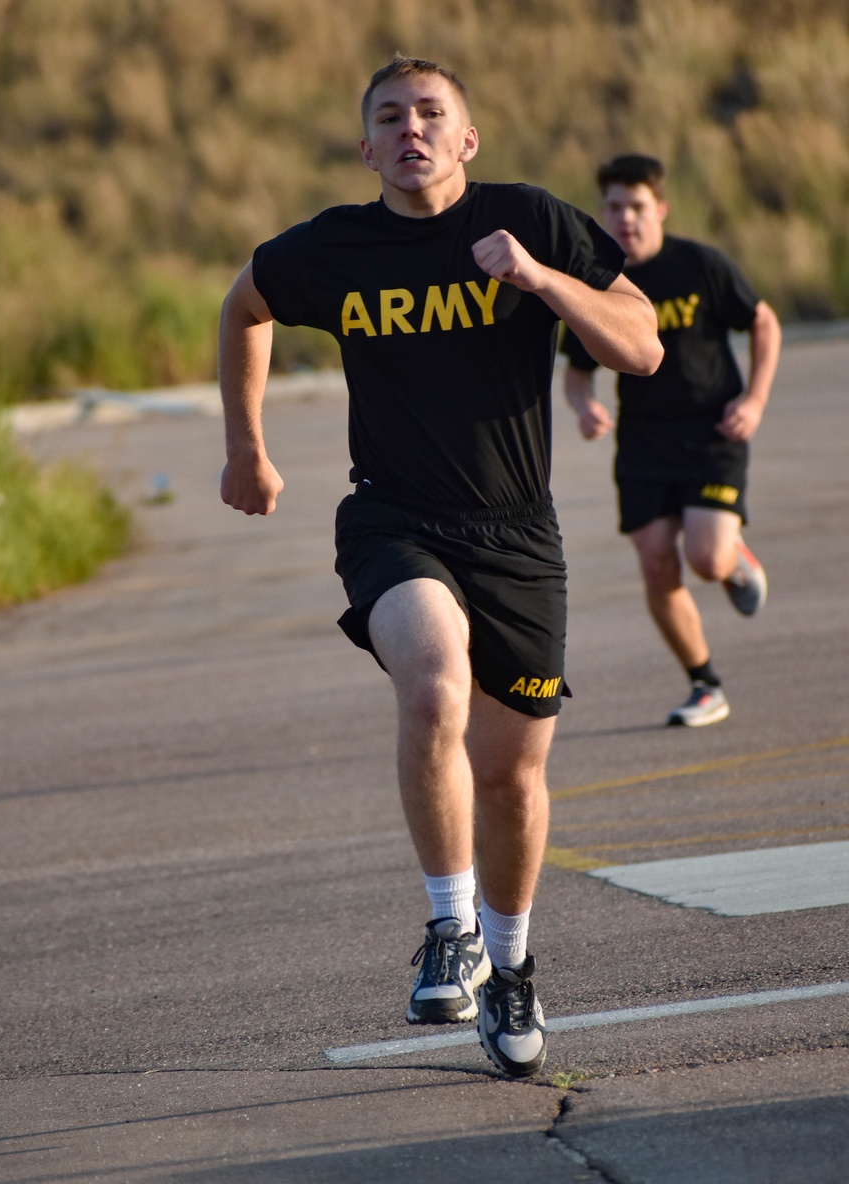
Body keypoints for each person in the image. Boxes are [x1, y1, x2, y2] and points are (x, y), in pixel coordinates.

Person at [218, 58, 662, 1077]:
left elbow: (638, 347)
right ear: (365, 148)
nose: (409, 129)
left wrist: (540, 281)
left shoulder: (534, 221)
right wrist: (245, 444)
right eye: (389, 117)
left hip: (517, 535)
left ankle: (507, 966)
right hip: (392, 519)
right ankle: (449, 926)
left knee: (512, 775)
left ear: (466, 139)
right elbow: (243, 306)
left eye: (430, 114)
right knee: (432, 678)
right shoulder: (333, 248)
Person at [561, 154, 781, 728]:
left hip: (713, 433)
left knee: (705, 559)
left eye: (636, 206)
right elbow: (578, 369)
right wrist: (585, 407)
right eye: (613, 207)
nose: (625, 218)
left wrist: (754, 400)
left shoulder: (700, 265)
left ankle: (731, 560)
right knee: (658, 565)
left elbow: (763, 323)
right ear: (602, 212)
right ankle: (705, 684)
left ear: (659, 207)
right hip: (642, 444)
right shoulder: (598, 281)